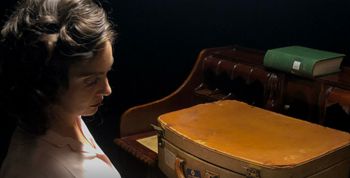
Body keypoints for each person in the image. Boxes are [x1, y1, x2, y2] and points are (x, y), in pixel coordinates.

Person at [0, 0, 121, 177]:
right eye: (91, 81)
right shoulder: (34, 170)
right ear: (46, 84)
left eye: (106, 72)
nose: (107, 89)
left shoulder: (66, 115)